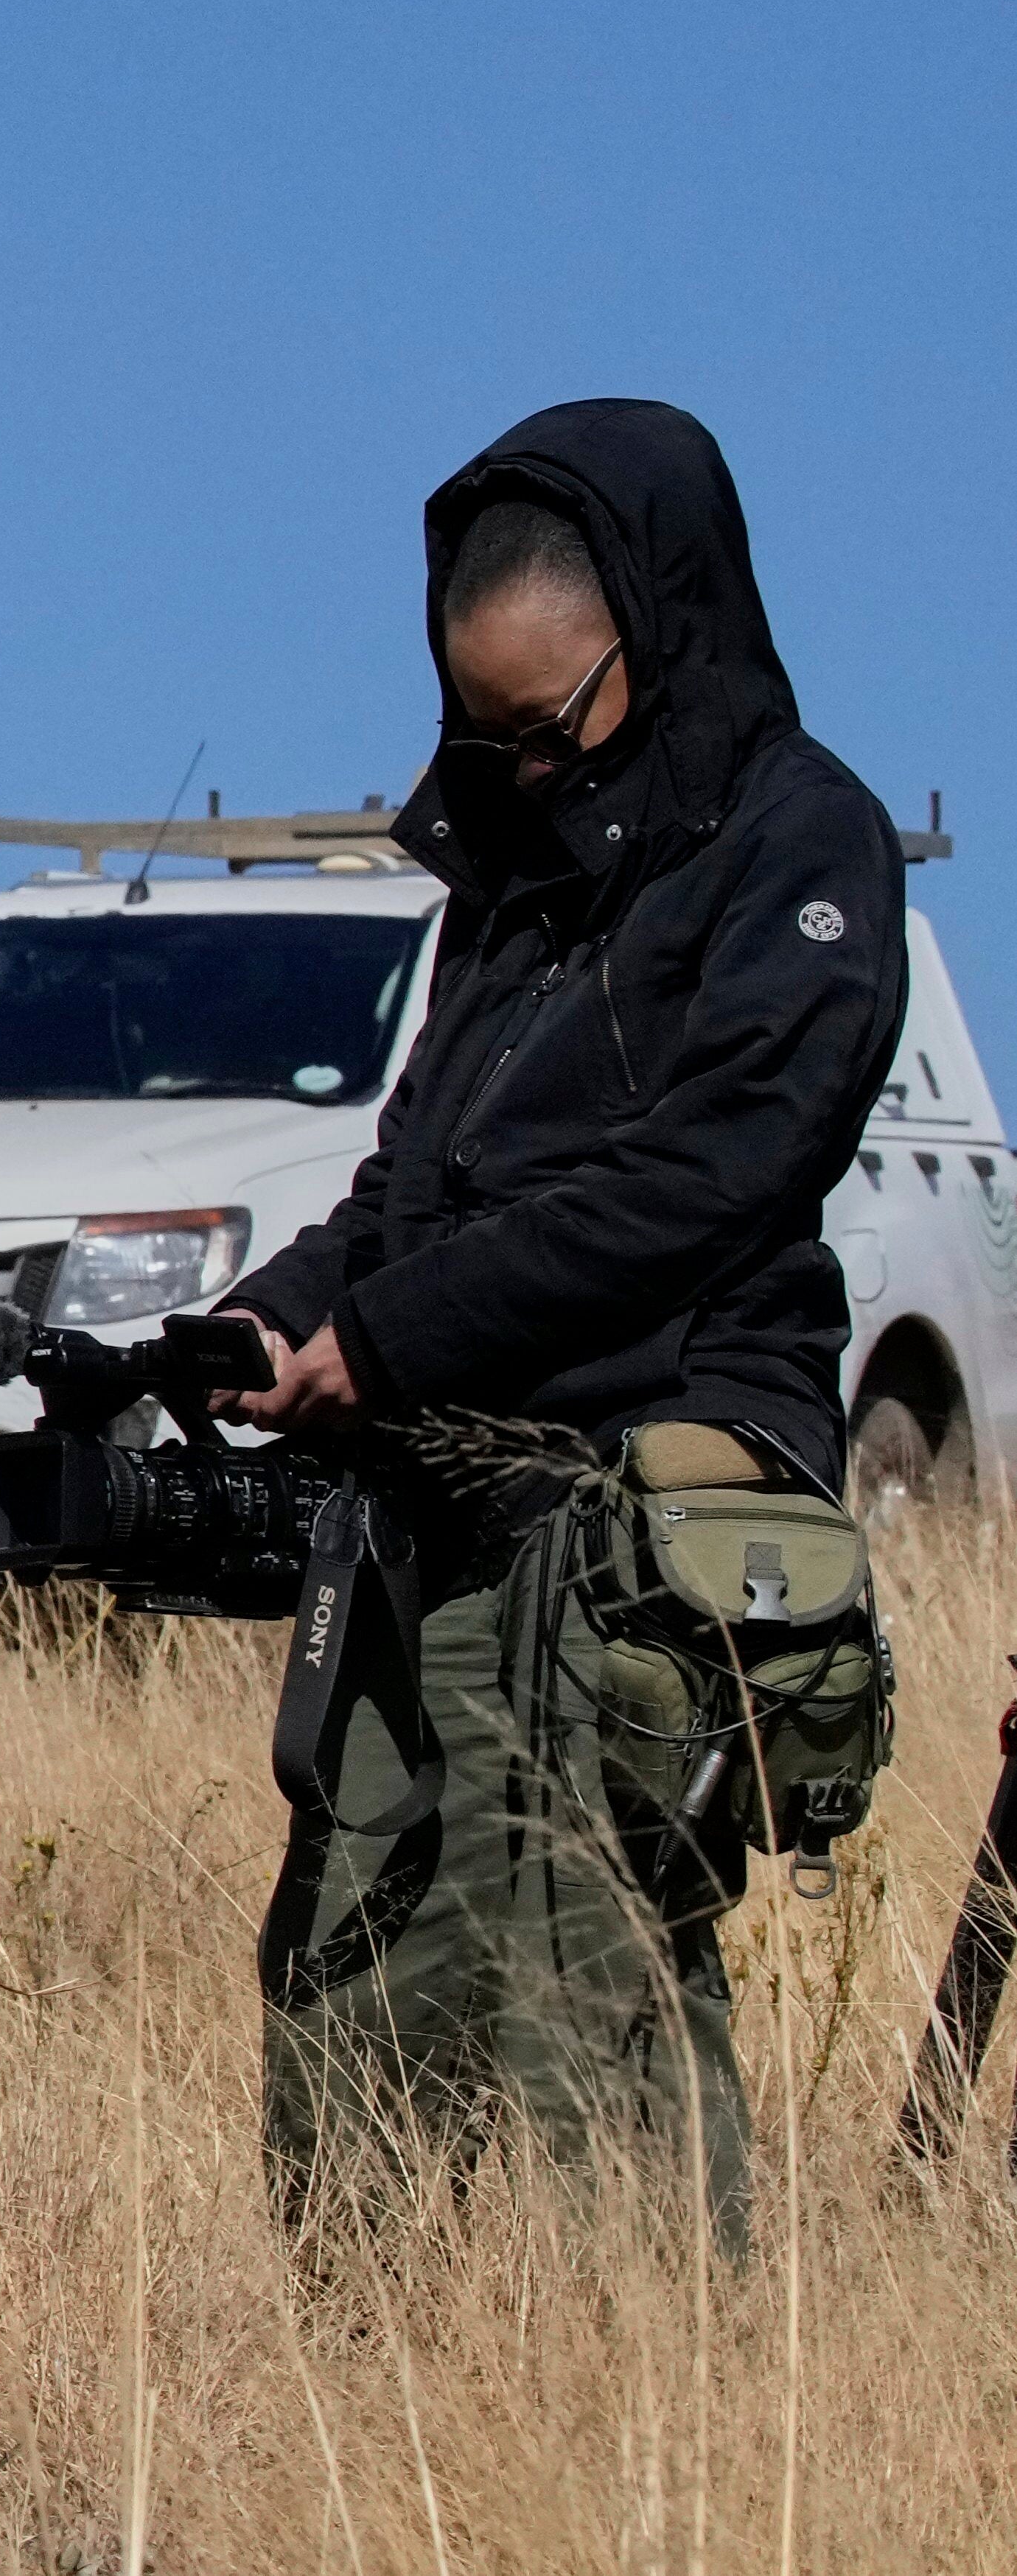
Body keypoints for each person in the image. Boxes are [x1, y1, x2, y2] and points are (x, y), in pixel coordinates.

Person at [211, 401, 909, 2252]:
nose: (514, 767)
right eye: (480, 731)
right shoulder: (504, 883)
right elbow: (405, 1187)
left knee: (587, 1973)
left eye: (548, 724)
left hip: (637, 1507)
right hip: (435, 1497)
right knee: (354, 1974)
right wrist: (274, 1322)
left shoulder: (798, 837)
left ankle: (658, 2409)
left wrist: (399, 1334)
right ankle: (368, 2395)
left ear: (654, 629)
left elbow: (717, 1174)